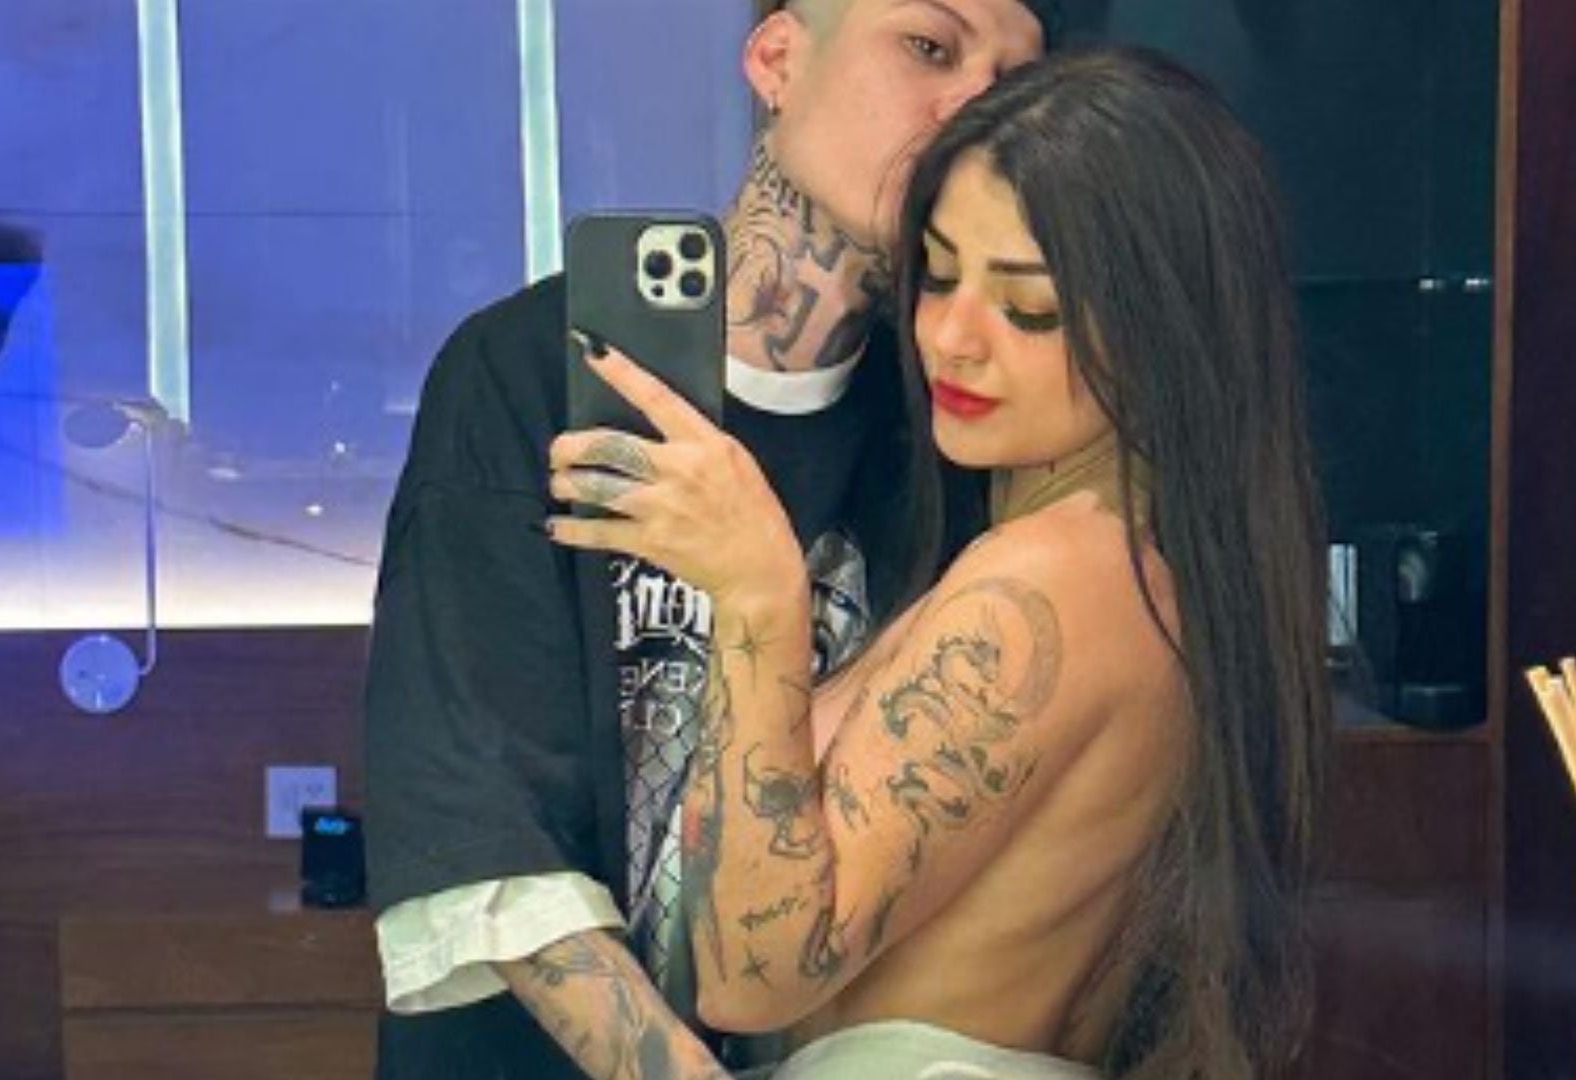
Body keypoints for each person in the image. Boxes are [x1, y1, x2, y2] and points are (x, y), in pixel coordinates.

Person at [547, 47, 1330, 1079]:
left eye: (1030, 308)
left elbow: (753, 972)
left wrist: (759, 595)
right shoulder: (1125, 570)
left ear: (1165, 327)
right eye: (941, 273)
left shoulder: (1048, 581)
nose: (952, 337)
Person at [364, 3, 1108, 1078]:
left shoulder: (949, 424)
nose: (972, 113)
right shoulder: (525, 372)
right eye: (929, 48)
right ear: (777, 59)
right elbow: (482, 833)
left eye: (1010, 81)